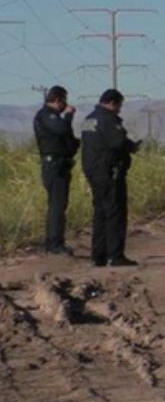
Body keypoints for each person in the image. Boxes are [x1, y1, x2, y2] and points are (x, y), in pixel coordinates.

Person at [81, 89, 141, 267]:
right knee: (115, 212)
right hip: (109, 172)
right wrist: (132, 147)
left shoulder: (89, 119)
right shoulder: (108, 119)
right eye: (119, 106)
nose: (119, 110)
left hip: (94, 171)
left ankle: (98, 256)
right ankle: (115, 256)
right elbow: (118, 142)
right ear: (112, 103)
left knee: (100, 213)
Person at [33, 85, 79, 256]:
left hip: (62, 165)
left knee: (60, 205)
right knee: (57, 206)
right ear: (58, 100)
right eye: (64, 101)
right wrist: (69, 115)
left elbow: (67, 137)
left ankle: (55, 241)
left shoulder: (55, 118)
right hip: (54, 166)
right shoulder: (46, 115)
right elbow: (61, 129)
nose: (66, 105)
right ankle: (54, 244)